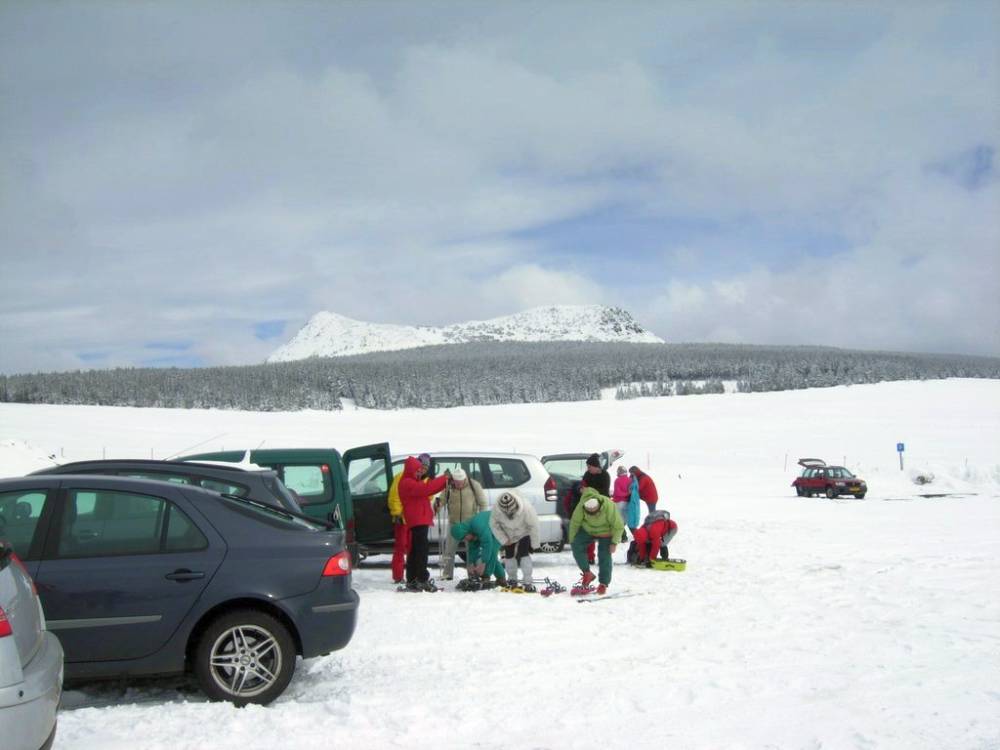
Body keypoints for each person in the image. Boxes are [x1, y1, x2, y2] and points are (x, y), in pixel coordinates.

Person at [399, 455, 449, 591]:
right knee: (421, 551)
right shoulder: (408, 482)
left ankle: (412, 578)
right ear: (411, 470)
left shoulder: (411, 481)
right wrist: (444, 478)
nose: (420, 472)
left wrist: (443, 481)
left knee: (415, 550)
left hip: (418, 519)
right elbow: (427, 489)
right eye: (417, 470)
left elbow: (428, 489)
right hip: (417, 520)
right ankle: (421, 579)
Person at [568, 487, 624, 595]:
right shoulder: (581, 506)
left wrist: (614, 543)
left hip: (606, 531)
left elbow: (618, 526)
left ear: (599, 506)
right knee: (576, 545)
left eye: (595, 512)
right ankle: (587, 573)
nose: (593, 514)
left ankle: (603, 583)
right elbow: (574, 523)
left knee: (604, 554)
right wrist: (572, 540)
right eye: (590, 512)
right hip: (588, 530)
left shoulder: (609, 505)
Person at [435, 467, 487, 580]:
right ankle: (447, 574)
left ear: (464, 479)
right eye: (456, 482)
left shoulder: (474, 485)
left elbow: (483, 503)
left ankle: (472, 575)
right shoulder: (449, 486)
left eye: (460, 482)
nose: (457, 484)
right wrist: (438, 505)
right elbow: (442, 500)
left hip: (470, 525)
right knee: (449, 551)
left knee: (471, 551)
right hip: (453, 524)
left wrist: (481, 520)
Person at [489, 490, 540, 591]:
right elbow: (493, 525)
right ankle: (512, 579)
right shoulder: (496, 510)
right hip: (508, 534)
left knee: (523, 553)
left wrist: (534, 544)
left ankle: (528, 580)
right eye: (506, 513)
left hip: (524, 532)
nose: (509, 515)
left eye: (511, 512)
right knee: (509, 555)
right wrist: (504, 540)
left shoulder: (526, 508)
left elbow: (534, 526)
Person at [450, 509, 506, 587]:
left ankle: (486, 577)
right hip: (491, 528)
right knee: (489, 555)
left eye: (464, 537)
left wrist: (483, 564)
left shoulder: (477, 526)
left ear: (465, 531)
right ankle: (501, 578)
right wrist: (471, 563)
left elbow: (488, 545)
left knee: (492, 552)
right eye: (463, 539)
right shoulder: (471, 532)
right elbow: (473, 549)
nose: (465, 539)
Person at [611, 465, 634, 543]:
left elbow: (617, 493)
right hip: (628, 503)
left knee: (618, 521)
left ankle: (623, 537)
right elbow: (631, 492)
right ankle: (637, 535)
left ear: (619, 472)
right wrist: (627, 494)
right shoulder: (630, 480)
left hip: (619, 503)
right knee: (627, 520)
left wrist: (613, 497)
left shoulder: (617, 480)